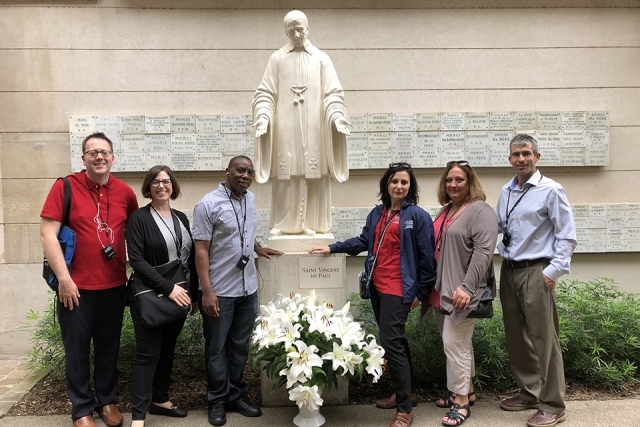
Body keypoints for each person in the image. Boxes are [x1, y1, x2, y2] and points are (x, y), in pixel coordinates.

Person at [309, 162, 437, 427]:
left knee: (391, 344)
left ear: (410, 186)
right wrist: (333, 248)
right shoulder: (377, 213)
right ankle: (408, 393)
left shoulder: (417, 216)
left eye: (404, 182)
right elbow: (364, 241)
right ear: (386, 185)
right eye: (394, 182)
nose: (399, 186)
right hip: (377, 287)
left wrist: (421, 292)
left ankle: (405, 410)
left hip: (399, 289)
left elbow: (427, 258)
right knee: (396, 342)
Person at [40, 132, 138, 427]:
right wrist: (64, 279)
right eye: (92, 152)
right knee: (77, 349)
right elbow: (48, 233)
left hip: (113, 286)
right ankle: (81, 408)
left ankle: (106, 401)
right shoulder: (65, 187)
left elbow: (134, 233)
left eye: (104, 152)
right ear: (83, 158)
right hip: (76, 287)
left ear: (113, 158)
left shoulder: (125, 193)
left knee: (109, 347)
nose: (99, 157)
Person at [192, 156, 283, 426]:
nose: (245, 175)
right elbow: (200, 250)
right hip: (220, 290)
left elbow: (244, 230)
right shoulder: (207, 204)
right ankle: (217, 399)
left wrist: (256, 247)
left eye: (250, 172)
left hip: (248, 288)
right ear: (228, 171)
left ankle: (235, 395)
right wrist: (205, 291)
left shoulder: (250, 199)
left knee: (240, 346)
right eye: (240, 170)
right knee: (217, 348)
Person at [496, 134, 576, 427]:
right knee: (516, 335)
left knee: (544, 339)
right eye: (516, 154)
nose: (521, 159)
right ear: (509, 159)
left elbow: (567, 235)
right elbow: (500, 227)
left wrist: (552, 272)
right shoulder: (506, 191)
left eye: (526, 153)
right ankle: (529, 391)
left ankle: (553, 404)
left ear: (537, 157)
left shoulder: (551, 190)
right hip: (509, 269)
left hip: (536, 270)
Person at [253, 9, 351, 236]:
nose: (296, 34)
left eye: (300, 29)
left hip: (314, 128)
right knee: (287, 173)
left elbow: (333, 93)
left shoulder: (321, 59)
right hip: (286, 128)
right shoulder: (277, 58)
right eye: (291, 30)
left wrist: (336, 116)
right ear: (285, 31)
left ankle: (312, 223)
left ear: (307, 28)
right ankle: (283, 224)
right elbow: (266, 92)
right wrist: (263, 117)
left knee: (311, 173)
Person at [125, 165, 199, 427]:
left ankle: (161, 400)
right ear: (148, 187)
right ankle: (137, 416)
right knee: (147, 354)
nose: (161, 186)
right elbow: (136, 260)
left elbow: (189, 258)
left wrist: (194, 295)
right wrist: (168, 288)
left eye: (166, 181)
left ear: (173, 185)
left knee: (167, 351)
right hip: (151, 297)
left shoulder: (181, 217)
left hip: (180, 296)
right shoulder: (139, 219)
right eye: (155, 182)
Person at [432, 161, 498, 426]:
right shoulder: (447, 210)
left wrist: (468, 287)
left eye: (459, 180)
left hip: (462, 292)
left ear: (470, 182)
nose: (453, 185)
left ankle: (460, 403)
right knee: (459, 344)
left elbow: (483, 252)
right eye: (449, 180)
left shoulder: (480, 210)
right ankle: (467, 391)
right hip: (443, 292)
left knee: (454, 344)